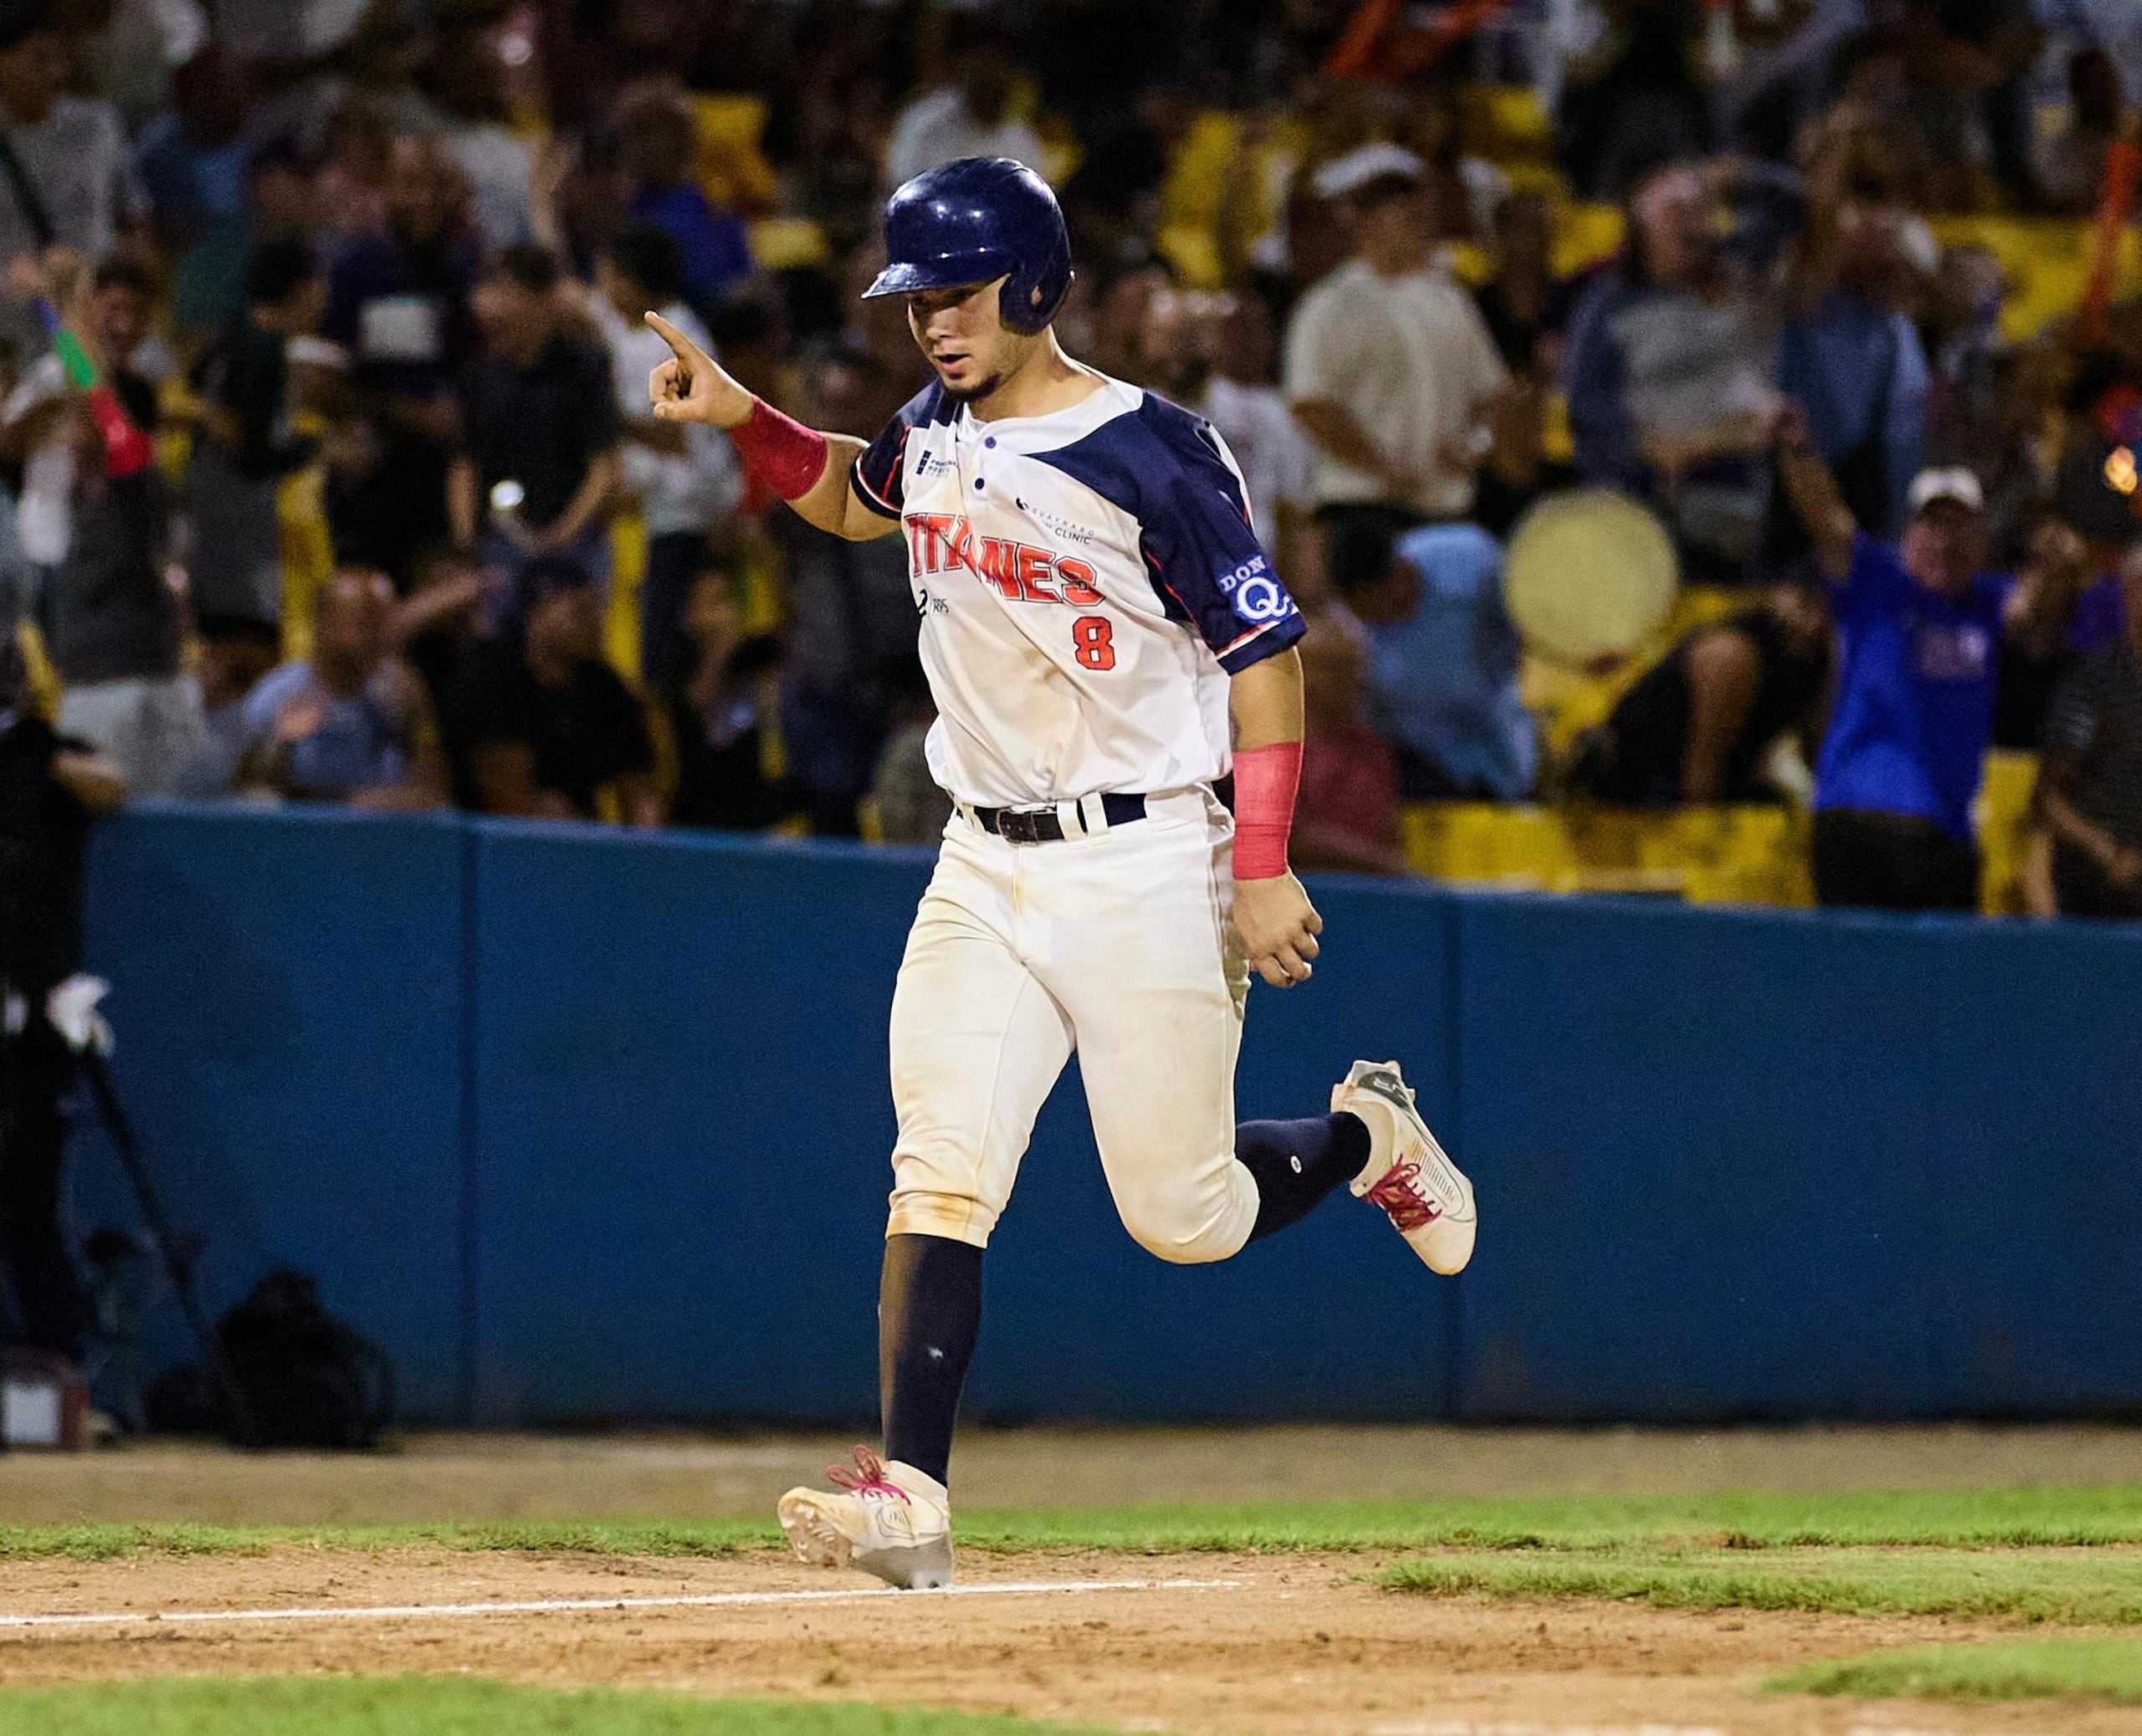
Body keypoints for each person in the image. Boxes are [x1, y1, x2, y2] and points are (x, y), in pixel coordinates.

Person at [647, 156, 1477, 1590]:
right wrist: (747, 423)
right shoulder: (935, 426)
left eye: (956, 295)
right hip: (983, 856)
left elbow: (1268, 663)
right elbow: (863, 498)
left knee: (1186, 1218)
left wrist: (1264, 865)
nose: (931, 325)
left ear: (1032, 281)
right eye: (914, 301)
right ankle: (910, 1498)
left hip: (1151, 854)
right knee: (941, 1166)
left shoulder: (1154, 450)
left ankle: (1369, 1140)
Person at [1775, 407, 2088, 912]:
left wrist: (2059, 565)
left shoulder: (1988, 605)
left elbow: (2037, 608)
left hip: (1940, 830)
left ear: (1982, 541)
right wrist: (1798, 448)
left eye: (1961, 526)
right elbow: (1825, 516)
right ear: (1909, 535)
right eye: (1933, 525)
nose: (1945, 540)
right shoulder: (1875, 585)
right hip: (1856, 820)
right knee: (1853, 980)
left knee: (1941, 986)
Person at [1284, 145, 1509, 561]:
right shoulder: (1329, 304)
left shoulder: (1451, 299)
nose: (1411, 210)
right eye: (1390, 201)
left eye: (1413, 197)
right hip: (1363, 509)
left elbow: (1493, 396)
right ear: (1359, 219)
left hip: (1447, 507)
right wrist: (1383, 467)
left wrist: (1476, 443)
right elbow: (1313, 406)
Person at [1562, 163, 1781, 586]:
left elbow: (1791, 210)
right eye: (1675, 210)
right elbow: (1588, 409)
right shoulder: (1609, 305)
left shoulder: (1732, 289)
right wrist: (1659, 448)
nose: (1691, 222)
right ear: (1642, 225)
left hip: (1735, 505)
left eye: (1700, 210)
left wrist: (1738, 177)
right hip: (1643, 506)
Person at [0, 632, 126, 1364]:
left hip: (37, 1017)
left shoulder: (46, 756)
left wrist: (33, 759)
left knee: (31, 1204)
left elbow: (110, 785)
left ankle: (59, 1367)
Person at [320, 134, 478, 586]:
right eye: (409, 185)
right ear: (386, 188)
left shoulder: (462, 268)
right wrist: (404, 413)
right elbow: (327, 379)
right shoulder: (358, 268)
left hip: (443, 481)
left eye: (433, 186)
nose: (422, 200)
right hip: (373, 480)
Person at [590, 224, 740, 694]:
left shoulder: (678, 339)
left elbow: (675, 432)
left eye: (611, 277)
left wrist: (605, 420)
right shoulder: (629, 327)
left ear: (633, 280)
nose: (604, 287)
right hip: (648, 512)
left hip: (685, 514)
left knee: (665, 658)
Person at [449, 243, 622, 601]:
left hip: (577, 548)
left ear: (543, 300)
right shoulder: (481, 374)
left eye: (509, 292)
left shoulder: (585, 368)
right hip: (501, 545)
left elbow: (605, 467)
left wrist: (562, 534)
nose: (496, 305)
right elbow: (466, 463)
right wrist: (465, 542)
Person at [1565, 582, 1832, 807]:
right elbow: (1700, 783)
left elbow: (1822, 759)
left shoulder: (1819, 664)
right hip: (1645, 791)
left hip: (1717, 782)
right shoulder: (1732, 655)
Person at [1328, 517, 1536, 801]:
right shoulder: (1367, 657)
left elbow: (1533, 617)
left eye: (1370, 605)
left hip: (1524, 703)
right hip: (1449, 774)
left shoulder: (1468, 557)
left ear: (1399, 572)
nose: (1367, 620)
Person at [186, 234, 328, 636]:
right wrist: (314, 450)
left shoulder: (228, 338)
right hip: (240, 532)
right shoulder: (261, 351)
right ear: (302, 289)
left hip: (208, 518)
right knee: (246, 640)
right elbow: (248, 447)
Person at [448, 553, 658, 824]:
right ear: (541, 609)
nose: (596, 621)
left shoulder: (603, 685)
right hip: (492, 846)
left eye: (598, 609)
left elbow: (639, 791)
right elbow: (509, 804)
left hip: (577, 840)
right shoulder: (494, 675)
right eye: (582, 609)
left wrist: (644, 852)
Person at [0, 2, 146, 359]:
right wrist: (17, 278)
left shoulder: (98, 126)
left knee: (101, 405)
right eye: (38, 59)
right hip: (19, 340)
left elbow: (135, 219)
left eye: (59, 58)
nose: (55, 73)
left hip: (93, 331)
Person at [235, 568, 448, 810]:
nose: (381, 635)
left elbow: (432, 797)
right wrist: (281, 742)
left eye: (386, 621)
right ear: (322, 624)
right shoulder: (280, 694)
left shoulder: (398, 693)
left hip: (379, 839)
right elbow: (248, 794)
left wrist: (419, 719)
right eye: (365, 622)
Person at [2036, 550, 2142, 920]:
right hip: (2096, 887)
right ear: (2129, 595)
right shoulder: (2093, 684)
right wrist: (2107, 851)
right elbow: (2048, 798)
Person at [1294, 612, 1406, 875]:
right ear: (1300, 673)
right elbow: (1285, 838)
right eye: (1337, 668)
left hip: (1365, 900)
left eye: (1357, 668)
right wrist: (1376, 861)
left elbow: (1389, 836)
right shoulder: (1260, 745)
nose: (1356, 680)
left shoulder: (1372, 751)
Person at [883, 23, 1044, 190]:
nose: (992, 75)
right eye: (983, 63)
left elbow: (1033, 209)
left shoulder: (1022, 140)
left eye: (1001, 65)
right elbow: (897, 189)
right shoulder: (925, 122)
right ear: (964, 65)